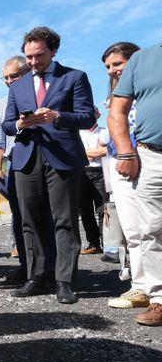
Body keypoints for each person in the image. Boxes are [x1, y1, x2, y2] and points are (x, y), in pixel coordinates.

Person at [3, 26, 95, 304]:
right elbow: (7, 124)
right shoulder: (18, 86)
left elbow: (87, 117)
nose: (32, 62)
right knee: (29, 220)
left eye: (38, 55)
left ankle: (64, 280)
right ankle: (36, 276)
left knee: (64, 220)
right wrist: (21, 123)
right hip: (26, 157)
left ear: (53, 50)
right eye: (28, 56)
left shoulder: (74, 77)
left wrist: (56, 116)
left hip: (63, 157)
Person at [109, 41, 162, 325]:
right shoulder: (143, 60)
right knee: (153, 229)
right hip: (152, 155)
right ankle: (159, 298)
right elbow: (117, 110)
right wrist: (126, 151)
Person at [100, 42, 148, 309]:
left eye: (117, 64)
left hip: (147, 161)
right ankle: (141, 286)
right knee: (132, 230)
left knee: (153, 227)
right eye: (108, 66)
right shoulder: (113, 99)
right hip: (120, 166)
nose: (111, 70)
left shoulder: (149, 92)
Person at [0, 56, 30, 285]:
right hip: (12, 163)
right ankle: (26, 264)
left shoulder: (38, 96)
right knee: (19, 217)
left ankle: (53, 267)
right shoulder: (0, 105)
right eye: (5, 77)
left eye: (13, 76)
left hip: (38, 161)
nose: (9, 81)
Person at [78, 106, 107, 256]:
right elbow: (75, 152)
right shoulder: (77, 133)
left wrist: (84, 153)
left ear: (98, 114)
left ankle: (108, 244)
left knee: (103, 209)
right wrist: (94, 153)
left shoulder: (105, 131)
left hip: (101, 172)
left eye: (92, 113)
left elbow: (106, 151)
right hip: (82, 173)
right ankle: (94, 243)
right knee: (85, 211)